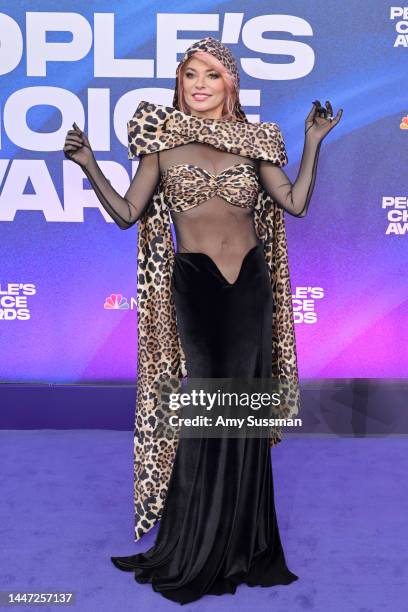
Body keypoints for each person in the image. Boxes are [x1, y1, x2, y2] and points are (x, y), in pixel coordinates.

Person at [64, 36, 342, 605]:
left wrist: (313, 143)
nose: (199, 84)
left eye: (211, 75)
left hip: (250, 289)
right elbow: (128, 215)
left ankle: (246, 545)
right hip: (194, 287)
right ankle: (192, 546)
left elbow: (293, 203)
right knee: (203, 407)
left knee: (241, 410)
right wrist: (89, 164)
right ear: (180, 83)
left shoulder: (259, 141)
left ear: (229, 83)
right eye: (191, 74)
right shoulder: (163, 145)